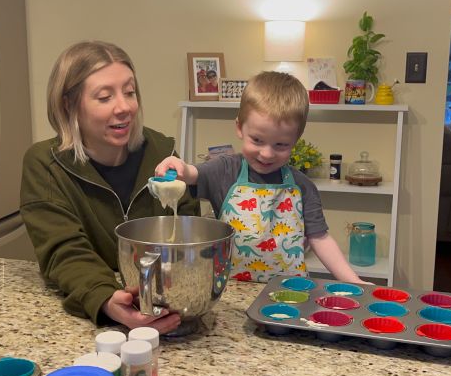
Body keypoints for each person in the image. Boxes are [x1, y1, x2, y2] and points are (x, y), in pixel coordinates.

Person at [20, 40, 199, 334]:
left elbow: (189, 229)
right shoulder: (45, 166)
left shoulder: (161, 153)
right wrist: (105, 299)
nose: (124, 107)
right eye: (105, 97)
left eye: (129, 92)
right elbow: (64, 251)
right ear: (69, 104)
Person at [155, 71, 367, 284]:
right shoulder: (226, 170)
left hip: (290, 294)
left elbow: (320, 238)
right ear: (239, 127)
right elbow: (192, 173)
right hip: (233, 292)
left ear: (296, 139)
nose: (267, 153)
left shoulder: (303, 187)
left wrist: (356, 282)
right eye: (257, 140)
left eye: (281, 145)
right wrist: (178, 167)